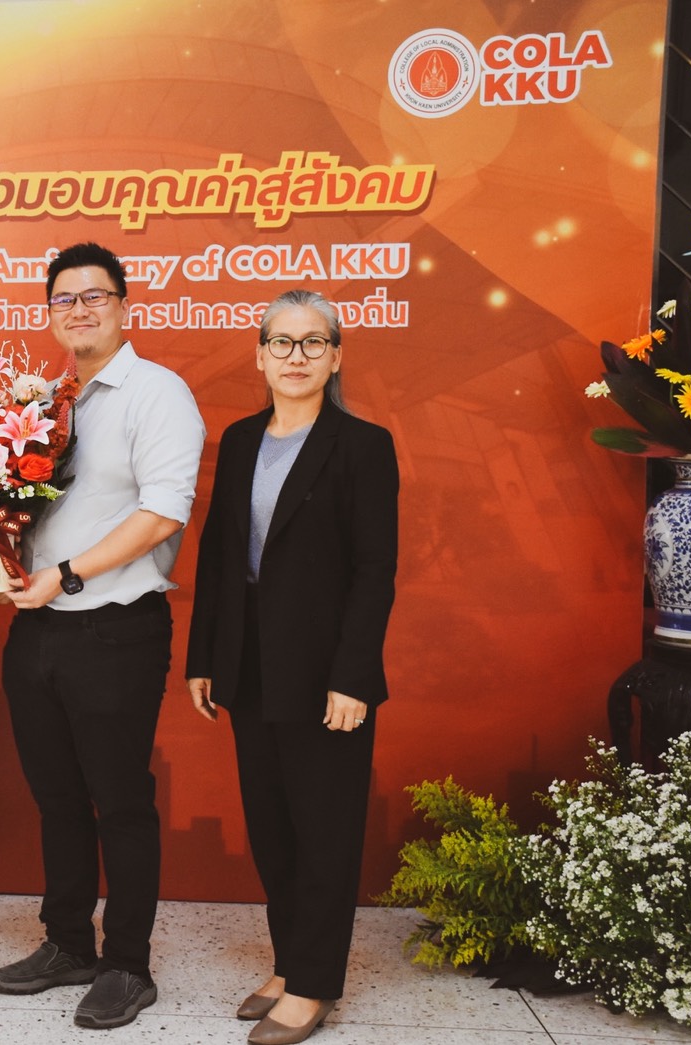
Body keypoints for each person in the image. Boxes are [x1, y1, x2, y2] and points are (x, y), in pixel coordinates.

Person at [0, 242, 204, 1029]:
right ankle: (68, 943)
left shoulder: (157, 392)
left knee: (120, 801)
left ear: (122, 305)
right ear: (48, 313)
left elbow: (163, 512)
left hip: (115, 628)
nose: (78, 310)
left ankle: (127, 964)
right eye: (63, 299)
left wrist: (67, 574)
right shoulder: (45, 400)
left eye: (94, 296)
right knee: (56, 799)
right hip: (36, 629)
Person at [185, 289, 398, 1045]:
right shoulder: (241, 438)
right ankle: (289, 961)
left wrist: (352, 675)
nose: (296, 356)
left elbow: (374, 570)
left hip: (323, 672)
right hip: (248, 664)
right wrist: (204, 656)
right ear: (260, 355)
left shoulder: (363, 445)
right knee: (272, 826)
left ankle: (312, 984)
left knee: (323, 829)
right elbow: (219, 556)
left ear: (335, 357)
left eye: (313, 343)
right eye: (281, 341)